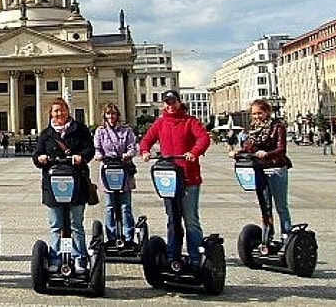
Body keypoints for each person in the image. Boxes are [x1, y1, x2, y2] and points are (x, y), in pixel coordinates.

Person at [139, 89, 210, 267]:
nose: (170, 105)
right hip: (169, 179)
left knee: (190, 219)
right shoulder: (161, 122)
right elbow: (146, 139)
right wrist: (145, 151)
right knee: (172, 219)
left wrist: (193, 153)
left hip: (188, 178)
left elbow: (203, 139)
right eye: (167, 102)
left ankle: (195, 256)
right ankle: (172, 254)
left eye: (173, 102)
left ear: (179, 102)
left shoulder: (189, 121)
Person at [33, 97, 95, 273]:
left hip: (76, 183)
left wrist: (81, 156)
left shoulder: (80, 130)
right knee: (55, 225)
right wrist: (40, 158)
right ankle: (55, 257)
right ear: (51, 114)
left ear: (68, 110)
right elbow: (37, 154)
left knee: (76, 224)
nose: (59, 114)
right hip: (53, 186)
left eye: (62, 110)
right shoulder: (46, 134)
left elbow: (90, 149)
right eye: (55, 111)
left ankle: (79, 258)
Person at [229, 99, 293, 241]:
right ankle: (267, 237)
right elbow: (248, 147)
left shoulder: (277, 126)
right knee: (265, 207)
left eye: (260, 113)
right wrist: (237, 152)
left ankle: (286, 237)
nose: (257, 116)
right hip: (260, 169)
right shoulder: (253, 129)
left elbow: (281, 149)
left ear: (267, 112)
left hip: (276, 169)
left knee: (281, 206)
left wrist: (267, 154)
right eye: (254, 114)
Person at [93, 103, 138, 248]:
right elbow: (97, 148)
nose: (111, 117)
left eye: (113, 114)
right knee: (109, 206)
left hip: (123, 169)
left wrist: (128, 154)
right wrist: (99, 155)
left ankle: (128, 236)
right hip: (107, 170)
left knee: (125, 206)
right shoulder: (100, 131)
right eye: (108, 114)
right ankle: (111, 237)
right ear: (104, 116)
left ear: (117, 115)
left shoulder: (126, 130)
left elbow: (132, 147)